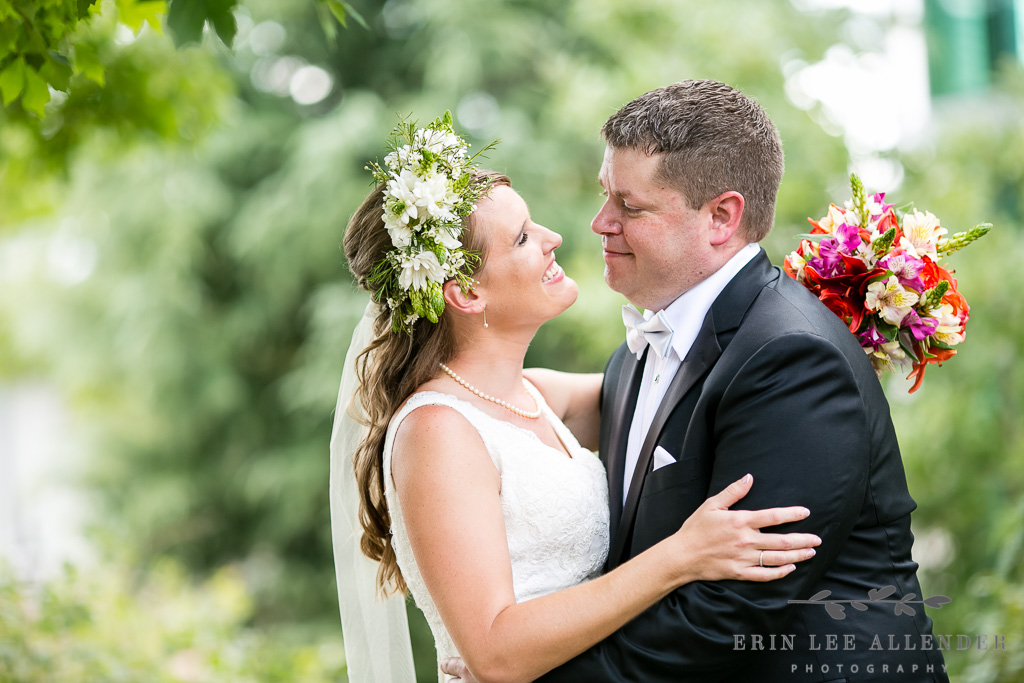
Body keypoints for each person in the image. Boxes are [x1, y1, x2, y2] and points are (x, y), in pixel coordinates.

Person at [444, 80, 950, 682]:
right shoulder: (636, 356)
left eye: (630, 208)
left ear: (721, 217)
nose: (599, 222)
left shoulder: (789, 357)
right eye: (606, 196)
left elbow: (730, 613)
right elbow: (504, 398)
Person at [330, 114, 822, 683]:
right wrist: (679, 556)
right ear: (466, 291)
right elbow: (494, 651)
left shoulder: (534, 395)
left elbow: (695, 384)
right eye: (520, 238)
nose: (553, 238)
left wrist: (811, 316)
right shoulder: (438, 431)